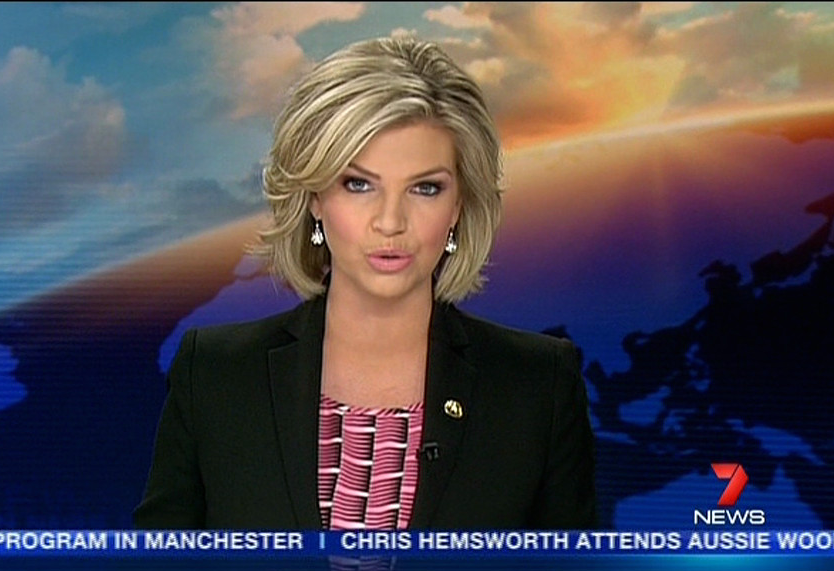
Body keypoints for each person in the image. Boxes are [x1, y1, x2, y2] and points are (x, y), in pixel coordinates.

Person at [133, 35, 596, 530]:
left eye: (426, 188)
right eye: (358, 184)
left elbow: (570, 562)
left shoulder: (538, 385)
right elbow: (158, 561)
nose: (390, 222)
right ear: (314, 197)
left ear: (459, 205)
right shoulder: (216, 374)